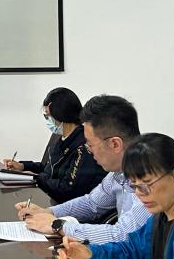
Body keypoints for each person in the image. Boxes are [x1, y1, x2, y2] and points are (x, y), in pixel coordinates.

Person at [17, 94, 151, 243]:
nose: (89, 151)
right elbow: (91, 204)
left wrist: (58, 225)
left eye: (90, 144)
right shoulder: (118, 172)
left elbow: (122, 235)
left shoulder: (150, 176)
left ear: (115, 144)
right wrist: (49, 212)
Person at [1, 87, 105, 203]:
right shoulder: (62, 138)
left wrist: (36, 178)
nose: (48, 120)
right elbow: (50, 168)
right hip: (54, 200)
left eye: (47, 116)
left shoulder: (84, 146)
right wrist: (23, 166)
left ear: (60, 115)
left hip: (73, 206)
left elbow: (68, 189)